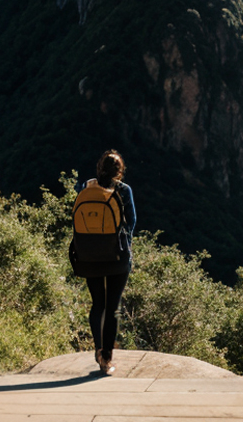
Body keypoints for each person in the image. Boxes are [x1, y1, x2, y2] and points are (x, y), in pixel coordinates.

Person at [80, 150, 135, 376]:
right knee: (112, 308)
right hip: (116, 258)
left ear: (99, 167)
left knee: (97, 305)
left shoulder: (87, 187)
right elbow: (131, 223)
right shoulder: (124, 190)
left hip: (89, 256)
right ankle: (107, 359)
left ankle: (97, 347)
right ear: (119, 171)